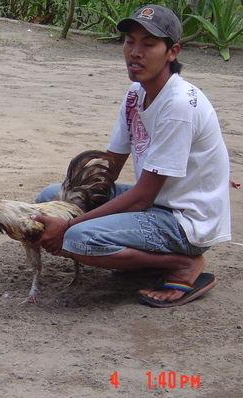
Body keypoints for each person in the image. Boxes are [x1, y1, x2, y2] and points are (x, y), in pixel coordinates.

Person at [32, 4, 231, 308]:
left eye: (149, 44)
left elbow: (142, 198)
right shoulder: (136, 95)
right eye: (129, 41)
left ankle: (182, 264)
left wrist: (71, 225)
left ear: (172, 51)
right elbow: (109, 169)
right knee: (51, 197)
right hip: (157, 206)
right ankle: (144, 260)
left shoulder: (178, 106)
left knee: (78, 239)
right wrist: (72, 201)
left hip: (185, 220)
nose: (135, 52)